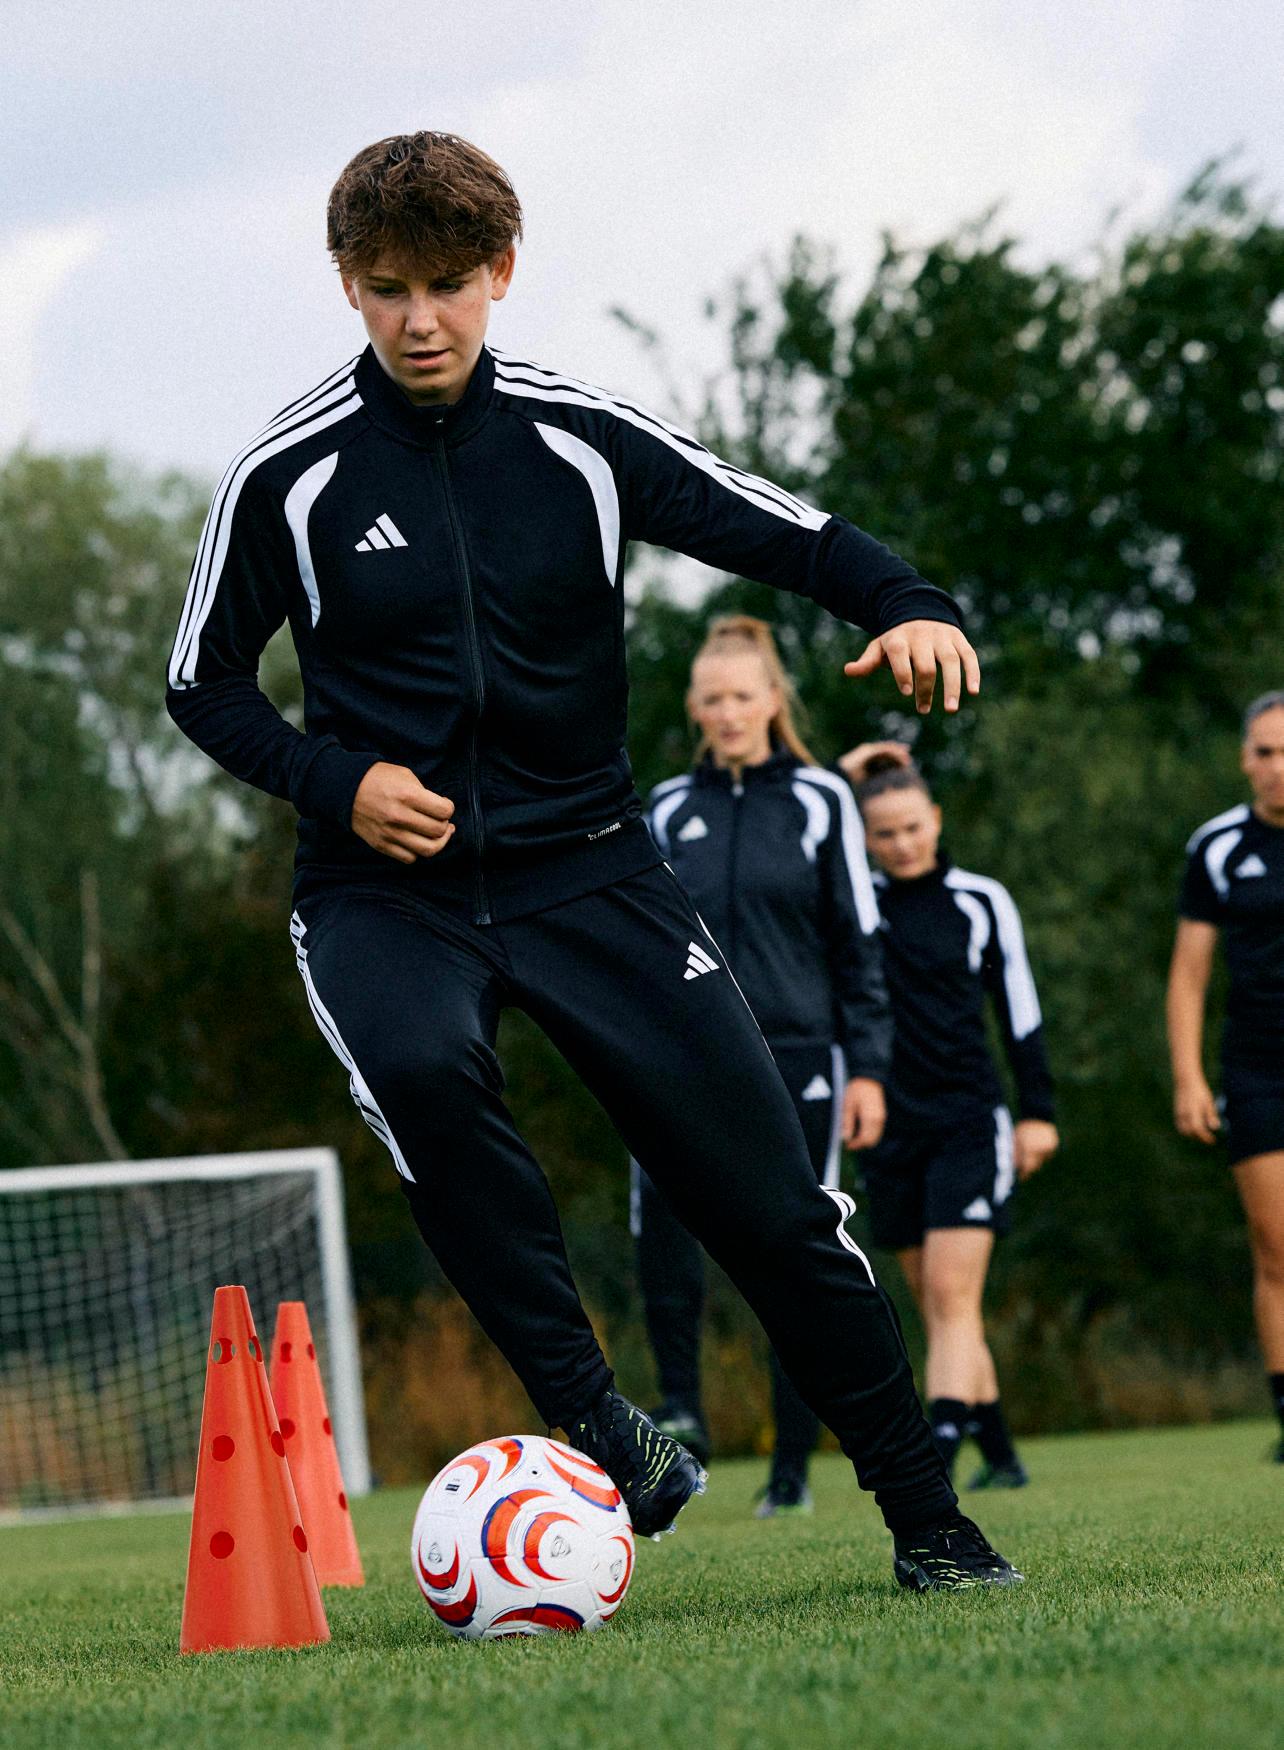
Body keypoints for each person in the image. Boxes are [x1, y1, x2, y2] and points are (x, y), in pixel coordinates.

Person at [166, 130, 1020, 1589]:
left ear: (502, 270)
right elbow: (202, 681)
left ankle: (931, 1521)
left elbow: (784, 530)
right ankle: (600, 1420)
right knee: (424, 1074)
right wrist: (336, 779)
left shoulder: (580, 440)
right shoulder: (287, 473)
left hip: (594, 873)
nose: (420, 320)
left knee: (773, 1206)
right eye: (387, 288)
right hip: (384, 897)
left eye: (448, 284)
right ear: (347, 284)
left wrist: (909, 598)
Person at [634, 615, 891, 1516]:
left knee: (795, 1249)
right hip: (684, 1053)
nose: (729, 712)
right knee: (663, 1220)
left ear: (774, 700)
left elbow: (859, 943)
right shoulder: (668, 807)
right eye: (713, 698)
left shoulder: (822, 800)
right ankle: (680, 1412)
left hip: (802, 1054)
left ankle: (791, 1469)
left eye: (744, 695)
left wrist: (869, 1068)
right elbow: (641, 937)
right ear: (694, 707)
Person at [840, 744, 1058, 1487]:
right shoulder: (857, 902)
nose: (902, 844)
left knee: (952, 1296)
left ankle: (935, 1459)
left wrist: (1038, 1112)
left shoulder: (982, 900)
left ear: (936, 818)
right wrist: (846, 780)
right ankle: (1002, 1456)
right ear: (866, 837)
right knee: (939, 1307)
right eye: (884, 833)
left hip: (969, 1121)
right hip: (888, 1128)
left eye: (912, 827)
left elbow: (1019, 1010)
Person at [1168, 692, 1284, 1461]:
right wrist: (1188, 1077)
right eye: (1266, 752)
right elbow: (1188, 977)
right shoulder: (1216, 847)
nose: (1279, 767)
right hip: (1258, 1068)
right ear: (1245, 759)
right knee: (1277, 1248)